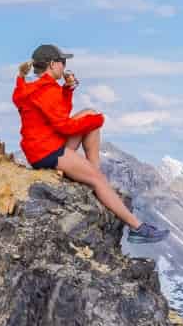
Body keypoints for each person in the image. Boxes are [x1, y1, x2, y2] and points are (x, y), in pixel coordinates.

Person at [13, 43, 169, 243]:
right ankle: (137, 227)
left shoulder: (35, 88)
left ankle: (92, 171)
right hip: (46, 150)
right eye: (62, 62)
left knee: (89, 113)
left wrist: (67, 90)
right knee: (94, 129)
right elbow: (64, 126)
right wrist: (99, 121)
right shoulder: (46, 90)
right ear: (52, 64)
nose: (64, 66)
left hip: (40, 145)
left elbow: (58, 113)